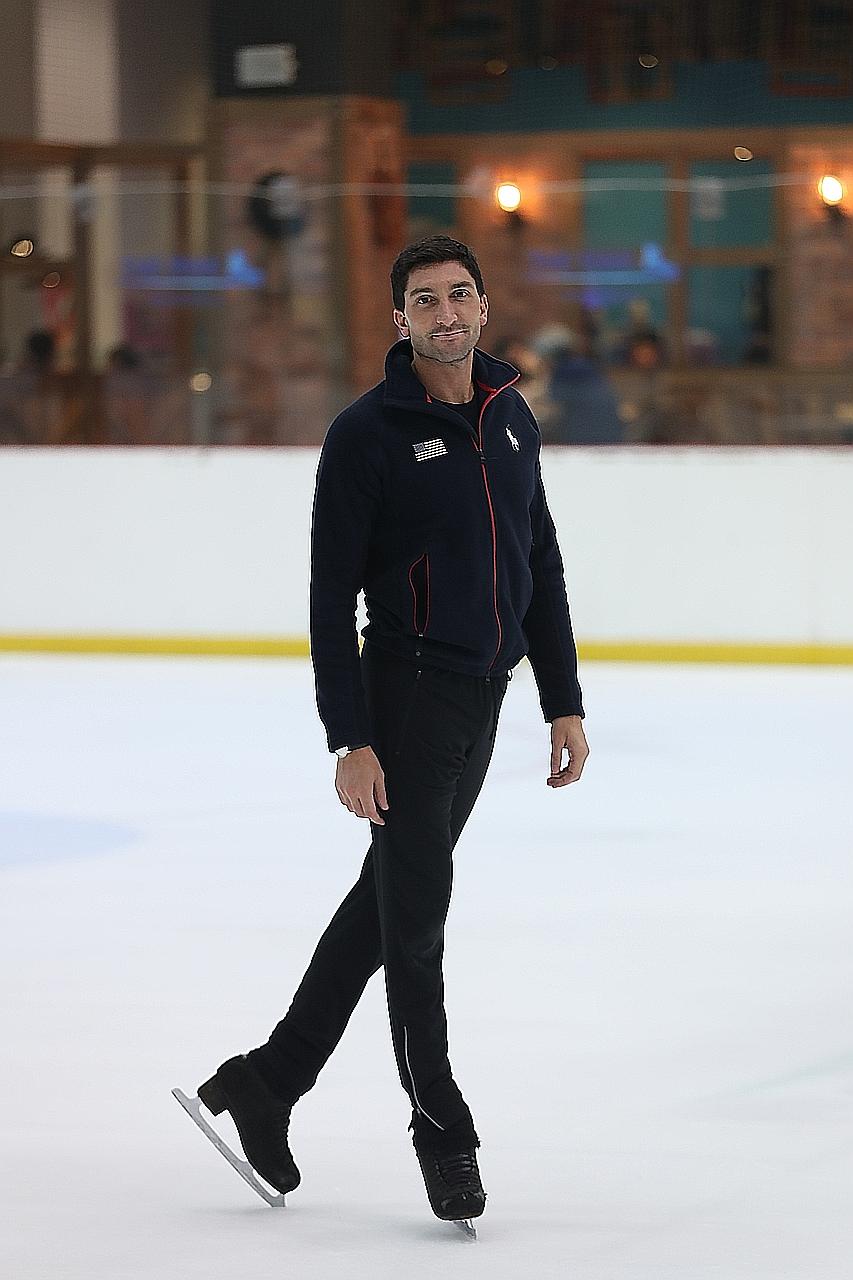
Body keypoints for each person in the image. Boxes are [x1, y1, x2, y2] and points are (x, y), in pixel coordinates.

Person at [194, 235, 589, 1226]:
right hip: (407, 695)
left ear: (484, 307)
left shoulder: (508, 415)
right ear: (400, 319)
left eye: (461, 295)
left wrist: (562, 696)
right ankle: (440, 1129)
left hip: (486, 695)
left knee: (388, 895)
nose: (446, 313)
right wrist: (351, 736)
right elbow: (331, 597)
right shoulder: (365, 433)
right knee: (414, 922)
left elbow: (537, 554)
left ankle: (267, 1079)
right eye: (426, 300)